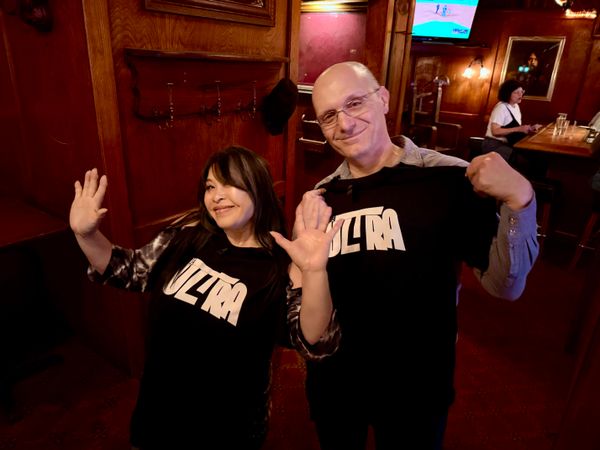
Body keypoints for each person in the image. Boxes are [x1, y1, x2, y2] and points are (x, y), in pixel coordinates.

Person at [280, 62, 539, 450]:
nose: (344, 124)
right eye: (329, 116)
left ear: (383, 99)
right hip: (336, 383)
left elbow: (506, 285)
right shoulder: (321, 197)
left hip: (416, 388)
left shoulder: (449, 180)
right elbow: (309, 308)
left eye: (355, 103)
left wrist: (521, 198)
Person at [69, 145, 333, 450]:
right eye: (210, 187)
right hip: (159, 413)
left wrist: (314, 271)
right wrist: (86, 235)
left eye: (229, 184)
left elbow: (314, 340)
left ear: (258, 188)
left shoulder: (278, 266)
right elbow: (128, 270)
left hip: (227, 428)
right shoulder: (187, 235)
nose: (216, 196)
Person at [482, 78, 542, 164]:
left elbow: (515, 130)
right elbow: (495, 131)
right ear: (507, 93)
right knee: (522, 160)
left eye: (521, 91)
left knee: (535, 157)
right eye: (516, 92)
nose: (520, 95)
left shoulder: (516, 106)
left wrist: (530, 129)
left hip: (508, 143)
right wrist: (518, 129)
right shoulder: (501, 107)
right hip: (493, 144)